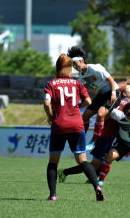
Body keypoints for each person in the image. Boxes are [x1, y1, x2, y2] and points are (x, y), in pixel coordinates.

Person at [44, 53, 105, 201]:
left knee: (53, 161)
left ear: (57, 68)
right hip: (76, 125)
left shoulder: (51, 84)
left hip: (59, 125)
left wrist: (50, 116)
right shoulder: (78, 84)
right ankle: (97, 187)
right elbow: (89, 101)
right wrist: (77, 107)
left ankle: (52, 195)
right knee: (83, 160)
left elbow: (46, 103)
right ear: (71, 68)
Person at [57, 80, 130, 183]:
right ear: (124, 93)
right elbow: (107, 116)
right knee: (94, 165)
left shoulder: (127, 103)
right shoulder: (122, 102)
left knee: (103, 162)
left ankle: (91, 180)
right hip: (106, 137)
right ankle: (64, 172)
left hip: (111, 138)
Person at [68, 45, 120, 151]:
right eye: (73, 65)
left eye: (76, 64)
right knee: (85, 115)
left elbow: (110, 79)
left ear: (82, 60)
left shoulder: (95, 68)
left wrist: (114, 93)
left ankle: (94, 142)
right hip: (102, 94)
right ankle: (80, 139)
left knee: (100, 114)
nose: (75, 66)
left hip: (113, 92)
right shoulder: (81, 76)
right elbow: (81, 90)